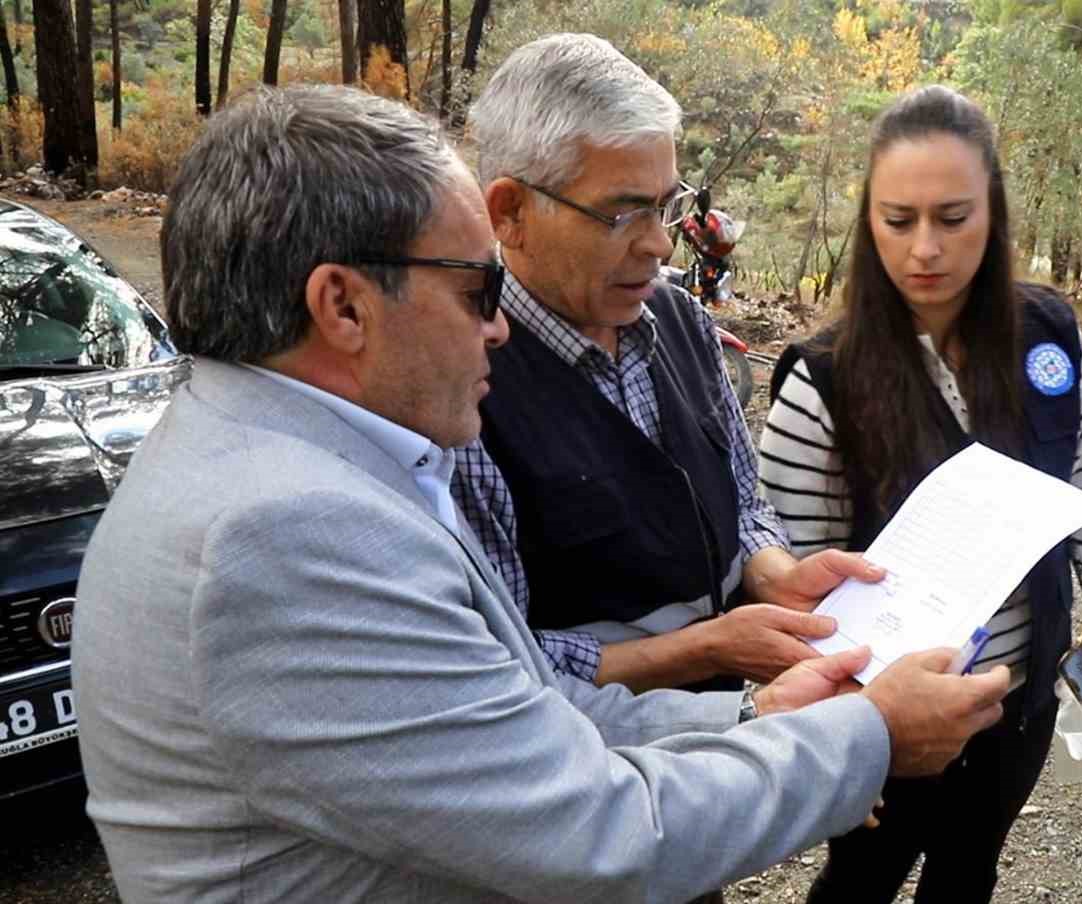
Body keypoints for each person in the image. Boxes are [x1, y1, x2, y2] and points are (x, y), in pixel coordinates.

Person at [71, 84, 1013, 904]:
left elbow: (516, 718)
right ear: (343, 306)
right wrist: (869, 737)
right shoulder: (284, 534)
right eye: (479, 288)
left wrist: (752, 716)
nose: (498, 330)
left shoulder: (297, 464)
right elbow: (600, 835)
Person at [759, 85, 1082, 903]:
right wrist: (838, 729)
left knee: (969, 869)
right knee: (862, 876)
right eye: (899, 221)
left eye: (953, 217)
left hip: (1017, 697)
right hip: (888, 714)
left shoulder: (1048, 336)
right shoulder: (823, 380)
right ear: (868, 221)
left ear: (994, 212)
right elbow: (795, 577)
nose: (924, 248)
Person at [452, 33, 859, 695]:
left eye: (668, 205)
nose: (660, 245)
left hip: (730, 740)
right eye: (621, 213)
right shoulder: (460, 390)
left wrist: (775, 573)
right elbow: (500, 664)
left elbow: (745, 499)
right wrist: (702, 651)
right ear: (511, 212)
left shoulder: (680, 320)